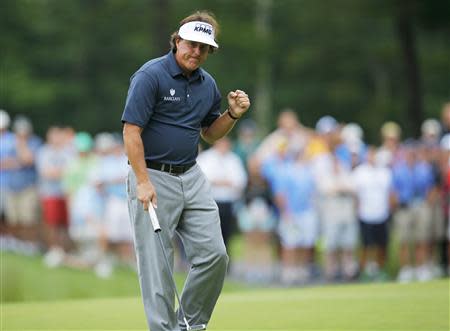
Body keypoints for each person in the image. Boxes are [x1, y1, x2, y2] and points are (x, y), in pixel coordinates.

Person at [121, 11, 250, 331]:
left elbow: (210, 132)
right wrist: (142, 181)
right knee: (158, 266)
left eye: (204, 48)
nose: (196, 52)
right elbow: (131, 131)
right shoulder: (150, 75)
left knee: (215, 255)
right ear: (177, 41)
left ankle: (190, 323)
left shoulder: (208, 85)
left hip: (192, 175)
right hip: (152, 177)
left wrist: (231, 115)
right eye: (191, 44)